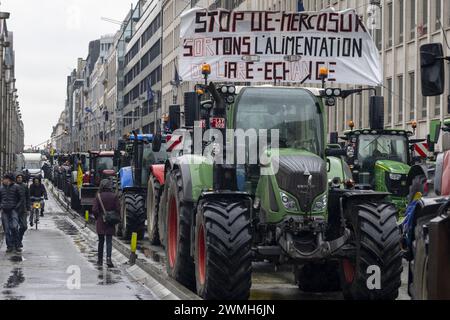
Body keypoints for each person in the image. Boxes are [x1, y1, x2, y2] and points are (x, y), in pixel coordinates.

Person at [92, 179, 120, 268]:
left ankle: (100, 260)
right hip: (110, 222)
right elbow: (118, 209)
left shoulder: (98, 196)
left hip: (101, 221)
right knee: (109, 241)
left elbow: (95, 210)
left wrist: (98, 218)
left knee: (101, 241)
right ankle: (108, 259)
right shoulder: (114, 196)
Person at [0, 173, 24, 253]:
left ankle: (17, 245)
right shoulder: (1, 188)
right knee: (6, 230)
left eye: (4, 179)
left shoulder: (16, 187)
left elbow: (21, 198)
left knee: (14, 227)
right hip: (4, 210)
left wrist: (16, 207)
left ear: (8, 179)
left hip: (13, 210)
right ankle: (9, 246)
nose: (3, 180)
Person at [15, 173, 30, 248]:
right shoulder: (14, 186)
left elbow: (28, 198)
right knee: (15, 227)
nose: (19, 179)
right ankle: (17, 242)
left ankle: (19, 239)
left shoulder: (25, 186)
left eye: (20, 178)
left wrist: (28, 209)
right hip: (15, 210)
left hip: (23, 209)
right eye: (18, 178)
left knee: (24, 226)